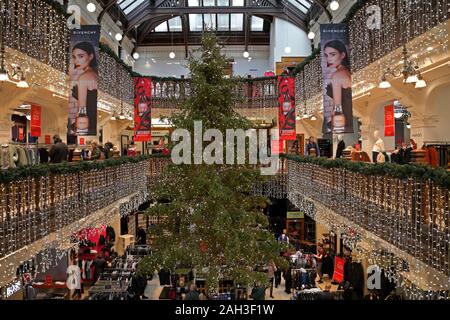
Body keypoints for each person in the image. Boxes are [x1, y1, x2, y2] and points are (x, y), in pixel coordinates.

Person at [324, 40, 352, 134]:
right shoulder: (347, 72)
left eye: (332, 54)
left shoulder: (337, 75)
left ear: (343, 55)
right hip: (347, 116)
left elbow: (337, 106)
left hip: (341, 120)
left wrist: (334, 124)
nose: (329, 59)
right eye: (326, 55)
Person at [69, 42, 98, 136]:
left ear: (90, 56)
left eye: (80, 56)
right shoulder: (94, 74)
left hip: (86, 122)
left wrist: (78, 126)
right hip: (92, 119)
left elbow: (82, 108)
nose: (76, 61)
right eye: (74, 57)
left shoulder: (83, 77)